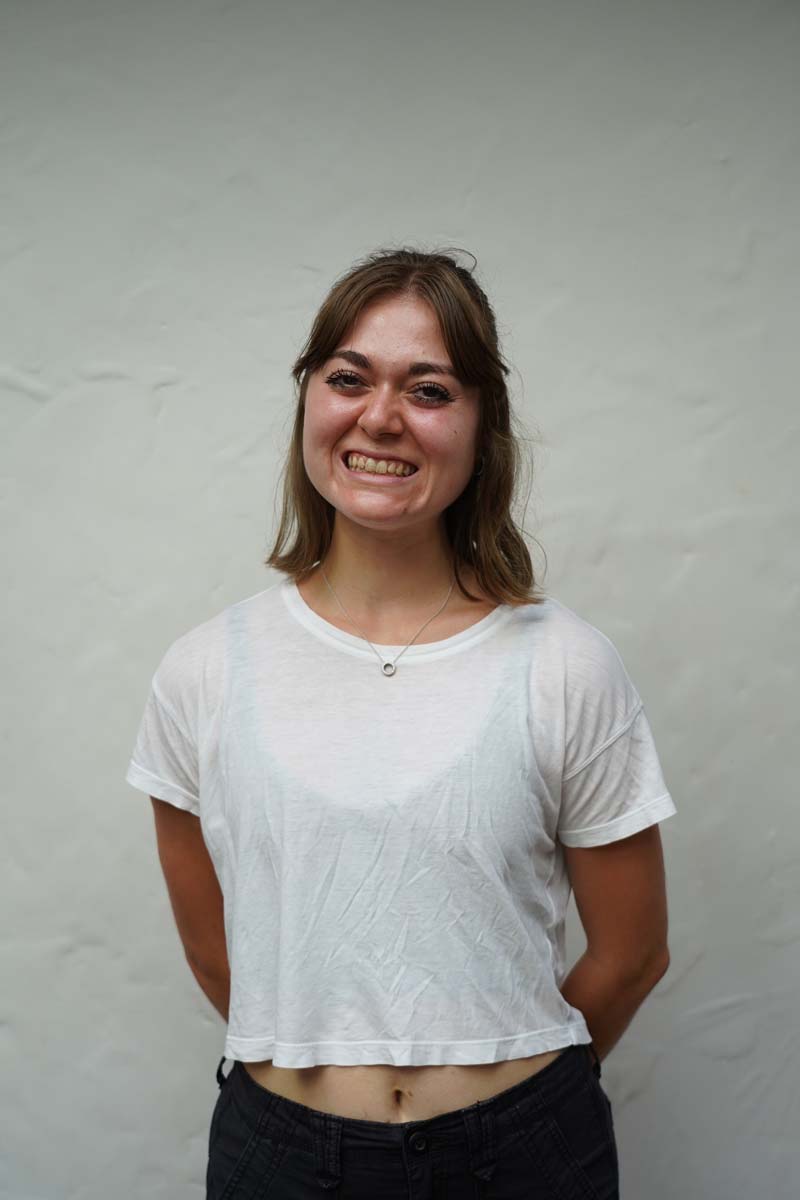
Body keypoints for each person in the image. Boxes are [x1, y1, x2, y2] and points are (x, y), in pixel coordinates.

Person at [125, 246, 676, 1199]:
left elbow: (632, 953)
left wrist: (516, 1101)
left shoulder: (565, 664)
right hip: (282, 1157)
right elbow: (225, 956)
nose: (380, 417)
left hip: (527, 1152)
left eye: (429, 389)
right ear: (309, 399)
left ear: (479, 428)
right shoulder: (205, 671)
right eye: (349, 378)